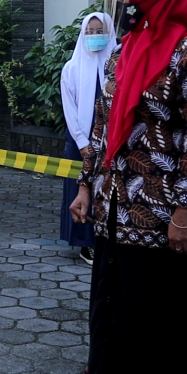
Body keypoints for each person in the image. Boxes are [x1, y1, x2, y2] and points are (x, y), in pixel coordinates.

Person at [70, 0, 187, 374]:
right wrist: (84, 186)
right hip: (115, 202)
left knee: (156, 306)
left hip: (158, 208)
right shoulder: (123, 51)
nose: (125, 7)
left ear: (156, 1)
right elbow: (101, 126)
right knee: (114, 299)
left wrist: (185, 212)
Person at [59, 13, 117, 265]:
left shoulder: (120, 66)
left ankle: (108, 240)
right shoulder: (71, 68)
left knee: (108, 190)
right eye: (90, 32)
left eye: (100, 31)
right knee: (79, 190)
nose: (95, 37)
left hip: (112, 139)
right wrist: (83, 143)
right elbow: (69, 109)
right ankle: (85, 244)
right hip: (78, 139)